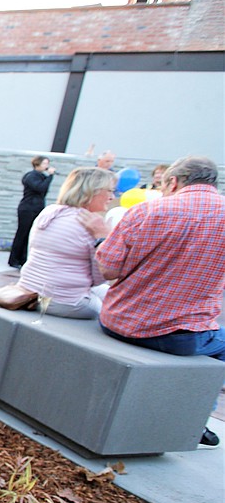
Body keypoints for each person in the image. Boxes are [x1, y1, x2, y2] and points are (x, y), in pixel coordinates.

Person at [83, 156, 225, 446]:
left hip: (119, 322)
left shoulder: (146, 210)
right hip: (181, 336)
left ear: (173, 181)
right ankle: (196, 420)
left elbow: (109, 269)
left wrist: (101, 237)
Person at [17, 168, 116, 318]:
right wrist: (104, 237)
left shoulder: (49, 212)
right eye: (109, 190)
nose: (112, 197)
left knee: (106, 292)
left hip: (29, 290)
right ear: (92, 191)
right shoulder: (91, 225)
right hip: (64, 302)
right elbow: (101, 276)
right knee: (110, 309)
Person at [7, 155, 55, 268]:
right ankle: (14, 259)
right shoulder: (31, 176)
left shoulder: (41, 176)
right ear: (37, 164)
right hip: (28, 208)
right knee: (22, 233)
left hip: (36, 208)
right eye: (44, 163)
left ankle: (23, 259)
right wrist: (50, 177)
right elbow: (40, 188)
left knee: (30, 234)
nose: (46, 166)